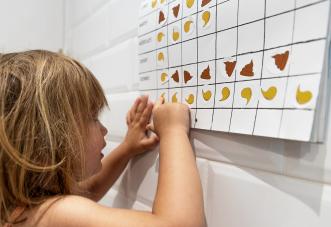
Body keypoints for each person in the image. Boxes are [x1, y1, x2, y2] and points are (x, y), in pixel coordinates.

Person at [0, 50, 205, 227]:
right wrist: (173, 131)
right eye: (92, 118)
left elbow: (90, 189)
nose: (104, 129)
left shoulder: (19, 207)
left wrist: (127, 148)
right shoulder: (50, 215)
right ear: (45, 141)